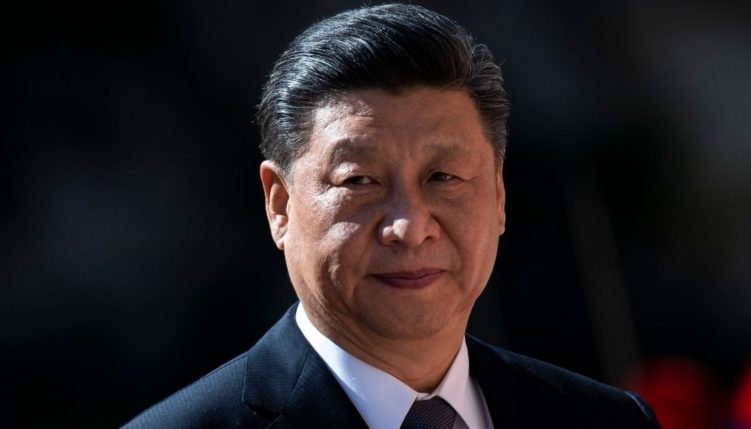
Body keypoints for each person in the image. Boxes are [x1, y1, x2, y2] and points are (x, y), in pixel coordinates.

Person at [124, 4, 661, 428]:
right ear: (280, 204)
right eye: (360, 181)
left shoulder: (604, 419)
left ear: (498, 194)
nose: (409, 227)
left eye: (443, 178)